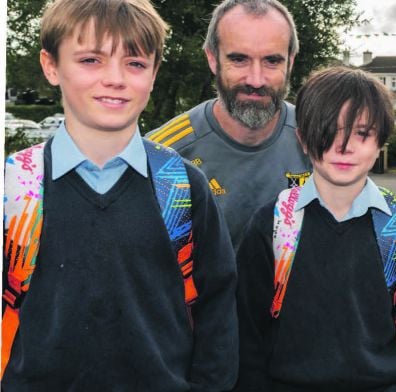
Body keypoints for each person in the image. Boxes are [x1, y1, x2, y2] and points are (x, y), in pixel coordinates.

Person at [2, 0, 238, 389]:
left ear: (154, 72)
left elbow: (218, 308)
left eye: (135, 63)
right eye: (91, 60)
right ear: (51, 66)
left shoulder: (182, 188)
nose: (115, 78)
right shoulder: (13, 189)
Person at [235, 67, 396, 390]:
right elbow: (248, 335)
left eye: (362, 133)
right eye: (331, 130)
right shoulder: (272, 223)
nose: (344, 147)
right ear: (302, 138)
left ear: (381, 141)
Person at [146, 0, 311, 250]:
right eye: (239, 59)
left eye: (272, 61)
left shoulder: (319, 139)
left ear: (291, 61)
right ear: (212, 59)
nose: (256, 80)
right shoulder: (161, 154)